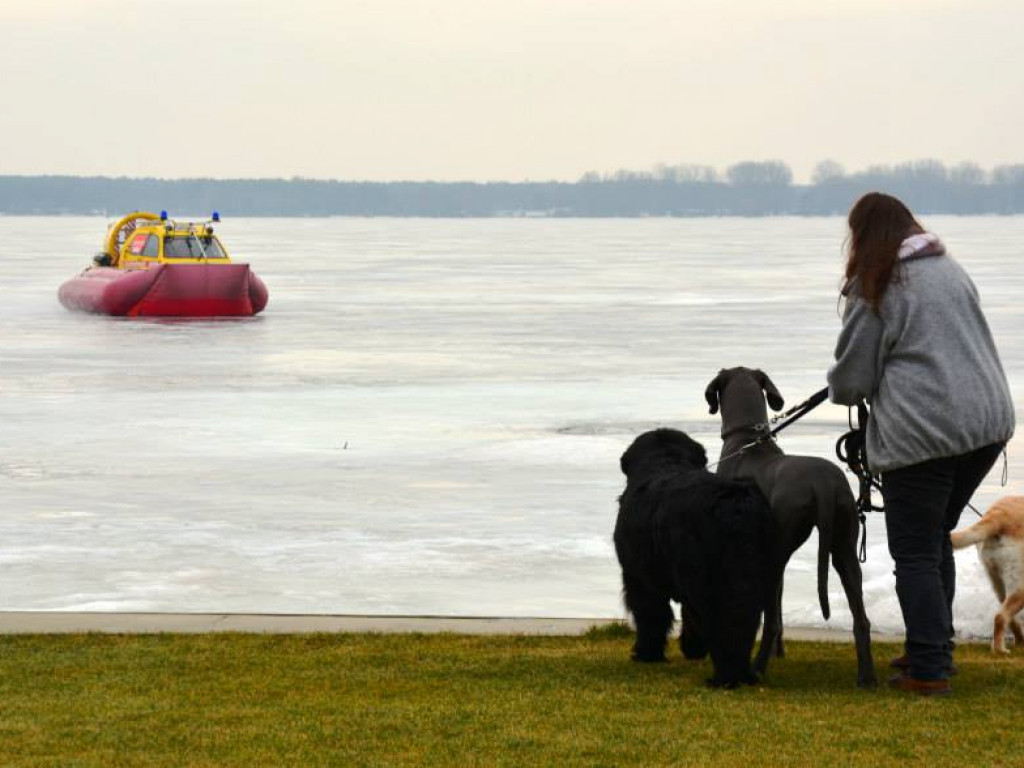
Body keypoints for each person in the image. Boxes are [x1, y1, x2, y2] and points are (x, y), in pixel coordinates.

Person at [827, 192, 1015, 696]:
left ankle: (929, 669)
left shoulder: (875, 286)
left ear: (863, 236)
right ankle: (932, 648)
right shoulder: (949, 269)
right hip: (986, 426)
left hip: (925, 434)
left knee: (913, 550)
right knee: (933, 538)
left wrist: (840, 385)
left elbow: (849, 383)